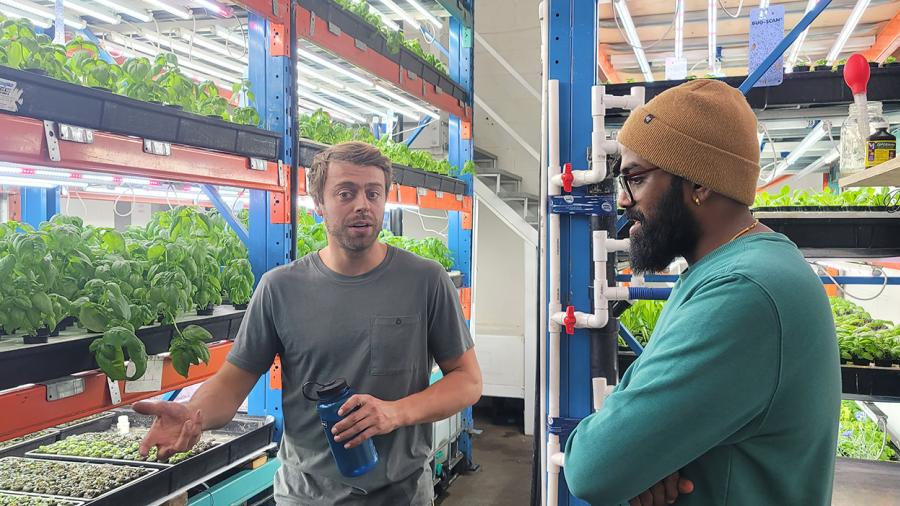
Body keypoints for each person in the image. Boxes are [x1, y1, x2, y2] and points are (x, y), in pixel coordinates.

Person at [133, 141, 483, 505]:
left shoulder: (425, 280)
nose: (362, 204)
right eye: (345, 193)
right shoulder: (280, 288)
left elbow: (468, 380)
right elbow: (232, 383)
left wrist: (395, 412)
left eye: (373, 193)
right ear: (318, 204)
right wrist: (193, 414)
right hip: (306, 495)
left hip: (401, 494)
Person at [563, 80, 840, 505]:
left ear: (700, 182)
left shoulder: (744, 292)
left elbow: (589, 466)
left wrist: (636, 459)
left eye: (635, 178)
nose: (621, 199)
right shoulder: (731, 269)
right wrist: (644, 463)